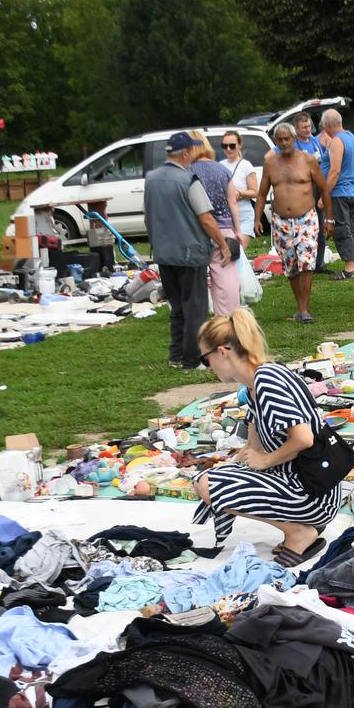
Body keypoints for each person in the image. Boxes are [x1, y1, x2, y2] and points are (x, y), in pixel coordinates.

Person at [192, 308, 341, 567]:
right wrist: (241, 461)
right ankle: (296, 527)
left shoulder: (266, 381)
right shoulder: (256, 381)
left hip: (314, 493)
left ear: (223, 352)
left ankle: (299, 532)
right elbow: (254, 436)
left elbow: (303, 439)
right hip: (311, 484)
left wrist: (265, 461)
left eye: (206, 360)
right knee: (216, 478)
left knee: (206, 484)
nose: (208, 367)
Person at [144, 131, 230, 370]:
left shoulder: (151, 179)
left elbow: (147, 216)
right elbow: (206, 219)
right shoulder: (188, 180)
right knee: (196, 308)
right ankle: (193, 359)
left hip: (163, 252)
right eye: (191, 149)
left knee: (177, 306)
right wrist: (223, 245)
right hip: (190, 253)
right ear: (185, 153)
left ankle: (176, 355)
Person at [258, 122, 331, 323]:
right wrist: (257, 219)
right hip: (280, 221)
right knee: (291, 266)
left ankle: (305, 309)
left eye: (287, 138)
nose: (284, 142)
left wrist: (330, 218)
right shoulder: (271, 163)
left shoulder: (308, 161)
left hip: (306, 218)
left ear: (294, 138)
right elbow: (262, 193)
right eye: (280, 139)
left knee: (307, 263)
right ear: (276, 141)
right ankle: (300, 306)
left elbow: (324, 189)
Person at [188, 131, 243, 316]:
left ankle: (198, 315)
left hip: (198, 229)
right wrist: (238, 230)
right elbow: (232, 202)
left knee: (196, 277)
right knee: (227, 276)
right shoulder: (222, 170)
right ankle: (229, 315)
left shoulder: (188, 171)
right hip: (225, 227)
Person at [319, 109, 354, 280]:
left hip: (339, 192)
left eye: (324, 126)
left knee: (341, 229)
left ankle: (349, 268)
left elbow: (335, 171)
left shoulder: (337, 141)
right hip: (350, 190)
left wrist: (325, 195)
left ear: (328, 125)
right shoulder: (350, 137)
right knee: (350, 228)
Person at [289, 113, 331, 274]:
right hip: (302, 190)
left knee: (320, 226)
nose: (307, 129)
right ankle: (300, 263)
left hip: (317, 187)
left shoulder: (314, 141)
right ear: (296, 129)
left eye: (309, 126)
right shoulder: (294, 144)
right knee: (302, 227)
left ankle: (318, 264)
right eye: (304, 127)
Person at [219, 132, 260, 246]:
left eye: (232, 145)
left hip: (244, 215)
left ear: (239, 145)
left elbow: (254, 191)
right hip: (225, 217)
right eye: (224, 146)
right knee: (228, 253)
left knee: (238, 251)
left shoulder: (246, 165)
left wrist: (239, 193)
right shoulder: (220, 165)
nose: (228, 149)